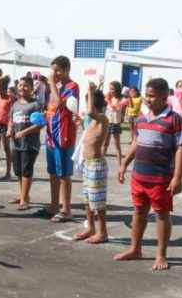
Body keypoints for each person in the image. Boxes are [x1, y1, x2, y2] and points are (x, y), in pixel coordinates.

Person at [114, 78, 182, 271]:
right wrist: (124, 164)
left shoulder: (174, 119)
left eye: (152, 96)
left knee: (162, 215)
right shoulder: (142, 118)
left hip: (161, 179)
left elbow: (180, 148)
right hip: (139, 176)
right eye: (147, 95)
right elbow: (136, 143)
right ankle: (135, 249)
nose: (148, 99)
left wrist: (177, 176)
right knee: (138, 212)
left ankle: (161, 254)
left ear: (165, 97)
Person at [43, 56, 79, 223]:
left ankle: (66, 209)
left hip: (63, 135)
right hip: (51, 134)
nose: (54, 73)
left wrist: (51, 83)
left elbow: (59, 104)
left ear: (67, 69)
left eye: (57, 70)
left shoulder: (72, 86)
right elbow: (50, 107)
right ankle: (54, 205)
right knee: (52, 173)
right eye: (53, 70)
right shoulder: (56, 86)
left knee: (63, 174)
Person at [75, 85, 109, 244]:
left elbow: (90, 112)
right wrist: (81, 122)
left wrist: (89, 90)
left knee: (98, 201)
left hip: (96, 165)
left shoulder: (103, 118)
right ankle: (91, 228)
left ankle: (102, 232)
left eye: (88, 102)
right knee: (87, 199)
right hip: (88, 163)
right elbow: (89, 133)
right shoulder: (93, 121)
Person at [7, 77, 42, 211]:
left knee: (26, 171)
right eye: (20, 85)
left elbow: (39, 124)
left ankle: (24, 199)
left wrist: (24, 132)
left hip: (29, 144)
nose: (22, 88)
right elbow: (11, 119)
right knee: (18, 171)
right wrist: (10, 129)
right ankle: (23, 195)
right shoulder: (15, 104)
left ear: (32, 88)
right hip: (15, 143)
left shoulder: (35, 104)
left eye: (26, 86)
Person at [103, 81, 127, 166]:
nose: (110, 90)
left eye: (112, 89)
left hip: (116, 123)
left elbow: (122, 110)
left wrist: (122, 117)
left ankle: (120, 164)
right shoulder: (108, 97)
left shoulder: (122, 99)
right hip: (107, 122)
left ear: (117, 89)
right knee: (105, 143)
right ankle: (101, 161)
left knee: (117, 145)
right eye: (110, 88)